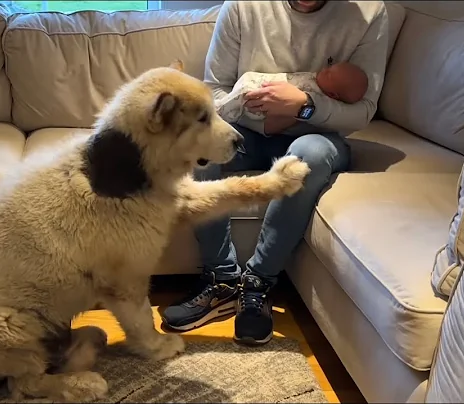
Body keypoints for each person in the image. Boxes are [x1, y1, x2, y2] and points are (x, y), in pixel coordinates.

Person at [162, 0, 389, 345]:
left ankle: (258, 282)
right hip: (246, 130)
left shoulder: (371, 13)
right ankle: (222, 280)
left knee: (308, 155)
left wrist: (304, 105)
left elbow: (363, 110)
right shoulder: (242, 7)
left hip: (317, 136)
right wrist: (266, 115)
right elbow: (217, 90)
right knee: (199, 148)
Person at [216, 61, 370, 133]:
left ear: (332, 95)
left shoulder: (318, 94)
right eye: (329, 66)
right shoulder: (237, 8)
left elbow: (361, 116)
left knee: (242, 98)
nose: (323, 68)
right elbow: (215, 83)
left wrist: (303, 106)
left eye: (328, 73)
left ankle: (219, 110)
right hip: (256, 83)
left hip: (259, 101)